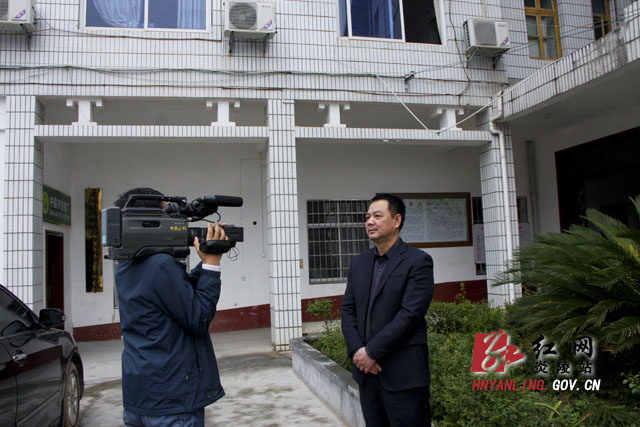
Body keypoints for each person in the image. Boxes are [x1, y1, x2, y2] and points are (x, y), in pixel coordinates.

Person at [114, 187, 227, 427]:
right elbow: (198, 318)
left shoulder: (126, 265)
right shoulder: (161, 264)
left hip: (140, 397)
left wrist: (206, 262)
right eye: (167, 215)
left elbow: (176, 295)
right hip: (171, 401)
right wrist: (212, 266)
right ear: (148, 221)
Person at [341, 194, 434, 426]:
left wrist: (372, 352)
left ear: (396, 220)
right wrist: (358, 352)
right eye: (367, 217)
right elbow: (348, 310)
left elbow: (410, 315)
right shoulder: (359, 263)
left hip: (403, 375)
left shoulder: (418, 261)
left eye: (377, 216)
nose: (370, 222)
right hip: (367, 375)